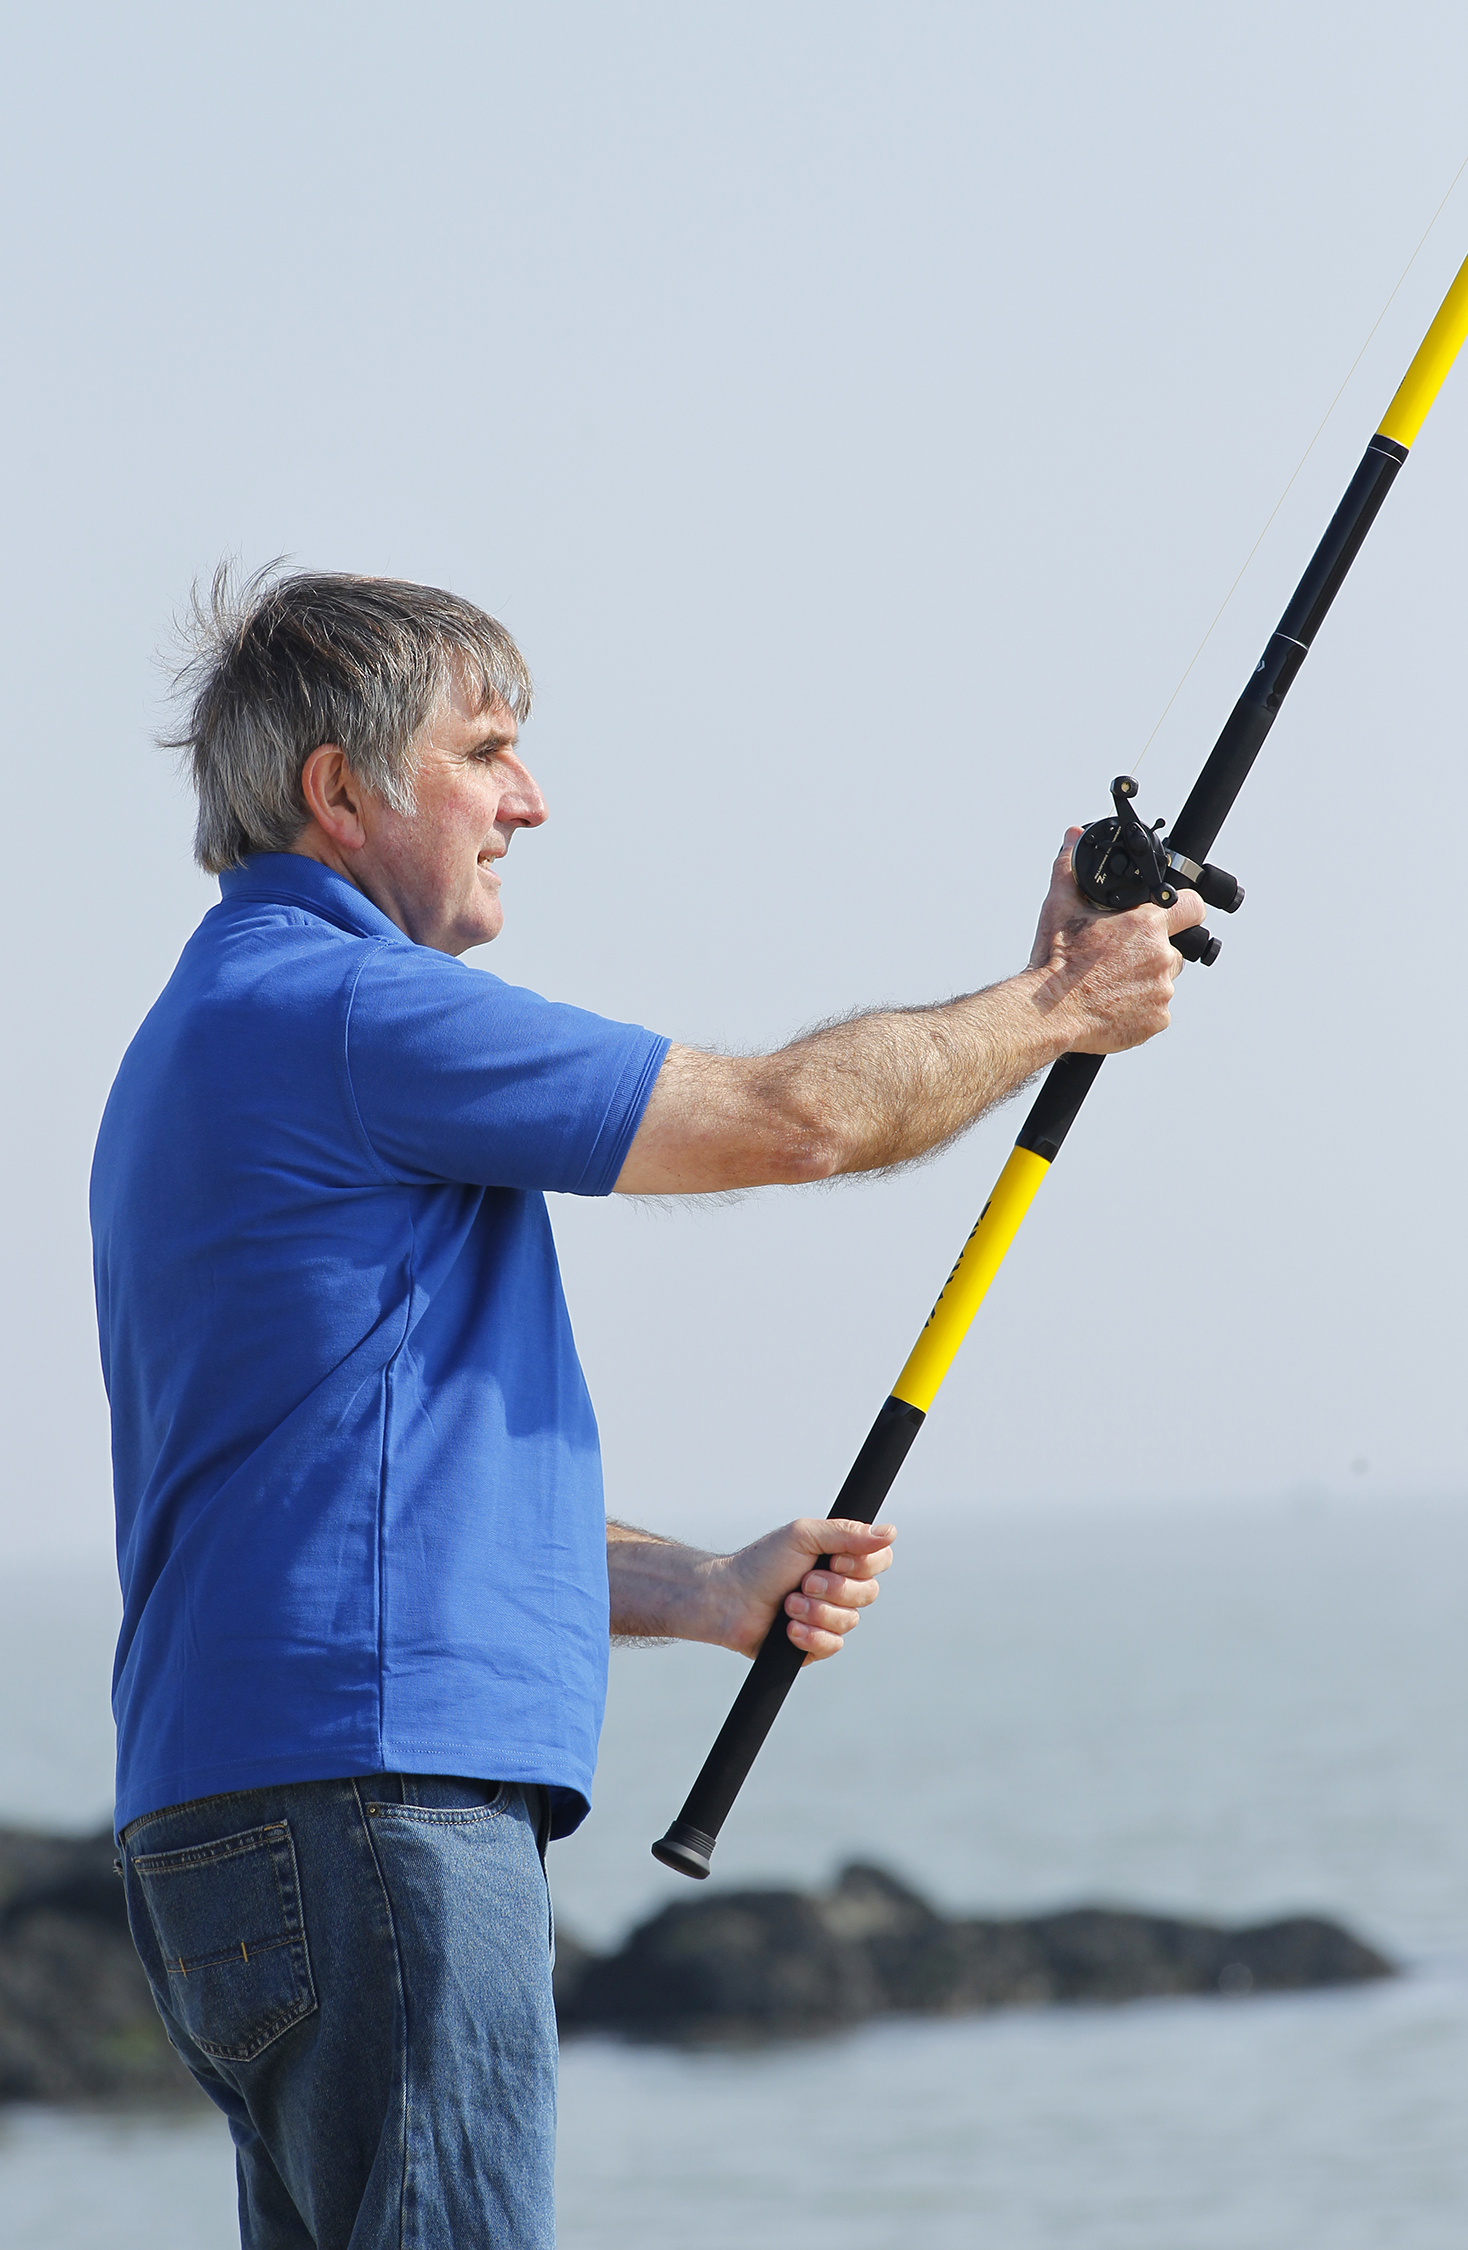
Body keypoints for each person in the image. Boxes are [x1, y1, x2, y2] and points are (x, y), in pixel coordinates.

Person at [91, 569, 1204, 2249]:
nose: (530, 800)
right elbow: (795, 1117)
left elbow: (348, 1493)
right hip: (379, 1811)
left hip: (243, 1819)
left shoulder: (203, 1036)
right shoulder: (343, 1011)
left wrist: (696, 1588)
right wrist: (1062, 1005)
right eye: (488, 751)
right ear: (339, 788)